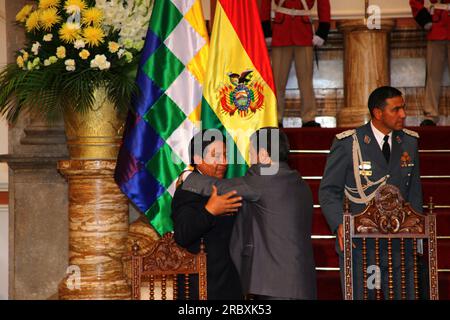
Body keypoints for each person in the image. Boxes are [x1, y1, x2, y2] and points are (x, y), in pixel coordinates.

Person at [181, 127, 317, 300]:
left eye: (251, 153)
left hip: (275, 284)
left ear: (263, 155)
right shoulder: (298, 181)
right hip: (302, 281)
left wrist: (188, 177)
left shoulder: (264, 176)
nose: (250, 160)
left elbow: (222, 188)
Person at [319, 86, 423, 299]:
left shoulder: (409, 142)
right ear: (378, 113)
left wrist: (417, 233)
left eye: (403, 108)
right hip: (362, 244)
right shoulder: (349, 143)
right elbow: (329, 191)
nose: (403, 114)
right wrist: (341, 224)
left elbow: (414, 192)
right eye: (396, 109)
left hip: (399, 244)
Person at [171, 129, 243, 300]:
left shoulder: (225, 187)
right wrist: (209, 211)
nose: (224, 162)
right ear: (197, 159)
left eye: (225, 155)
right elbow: (182, 234)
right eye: (216, 155)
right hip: (200, 288)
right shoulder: (188, 190)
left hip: (229, 284)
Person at [260, 0, 331, 127]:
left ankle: (308, 117)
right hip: (281, 33)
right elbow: (265, 3)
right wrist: (266, 30)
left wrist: (323, 30)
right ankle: (275, 116)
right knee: (277, 81)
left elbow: (323, 3)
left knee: (306, 81)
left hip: (303, 32)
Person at [410, 0, 450, 126]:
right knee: (433, 76)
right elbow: (415, 1)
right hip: (436, 28)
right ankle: (431, 114)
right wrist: (424, 19)